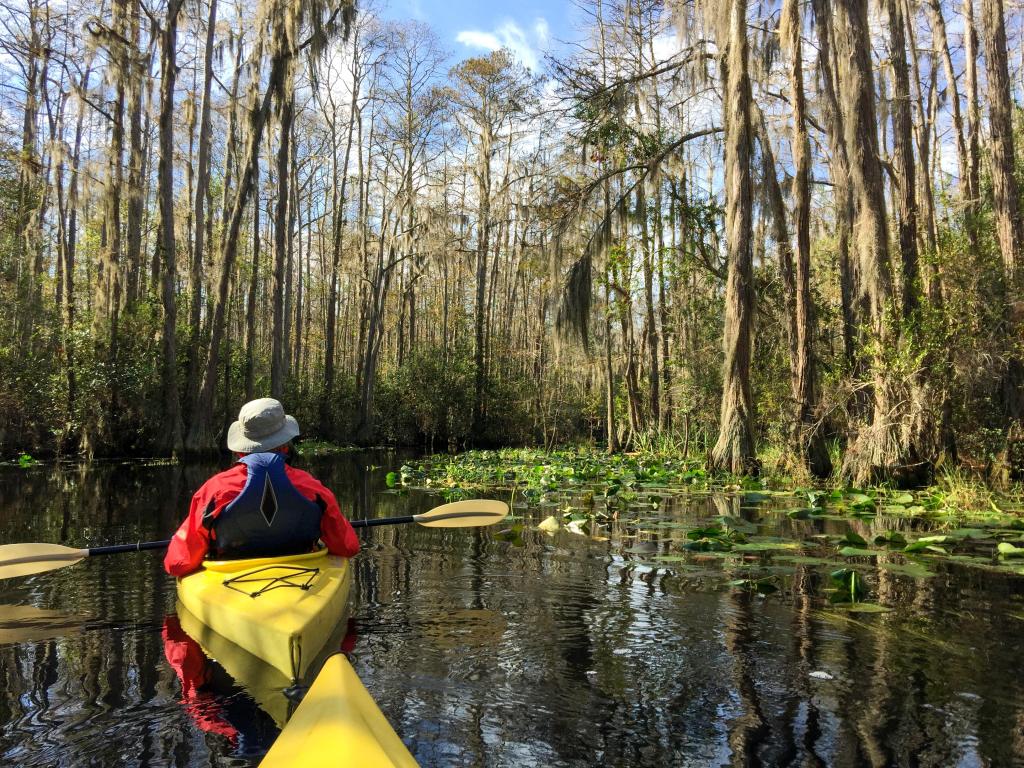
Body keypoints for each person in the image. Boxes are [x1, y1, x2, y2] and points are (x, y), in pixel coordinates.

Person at [164, 398, 360, 576]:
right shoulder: (311, 488)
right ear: (285, 445)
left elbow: (178, 564)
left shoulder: (214, 491)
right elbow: (347, 547)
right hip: (303, 572)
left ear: (241, 449)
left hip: (231, 576)